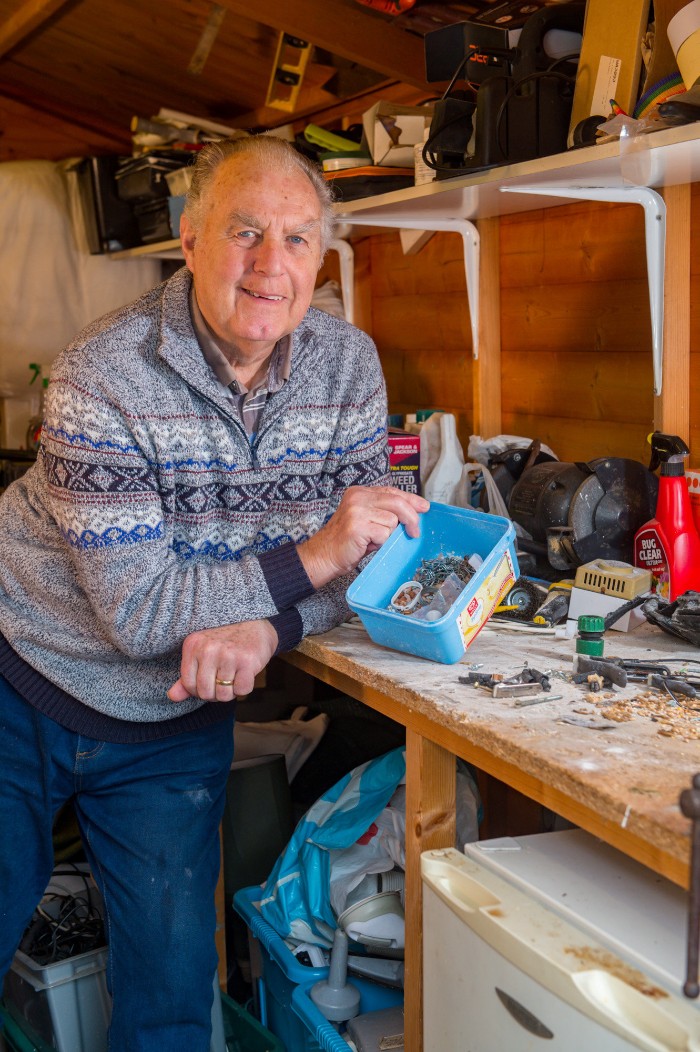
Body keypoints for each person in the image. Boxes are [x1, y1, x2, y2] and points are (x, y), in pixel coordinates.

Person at [0, 134, 428, 1051]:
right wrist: (310, 558)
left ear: (324, 253)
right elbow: (141, 611)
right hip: (23, 684)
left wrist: (266, 633)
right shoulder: (99, 375)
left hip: (173, 712)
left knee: (171, 999)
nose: (272, 266)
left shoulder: (349, 366)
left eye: (299, 239)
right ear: (190, 239)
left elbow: (363, 564)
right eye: (245, 232)